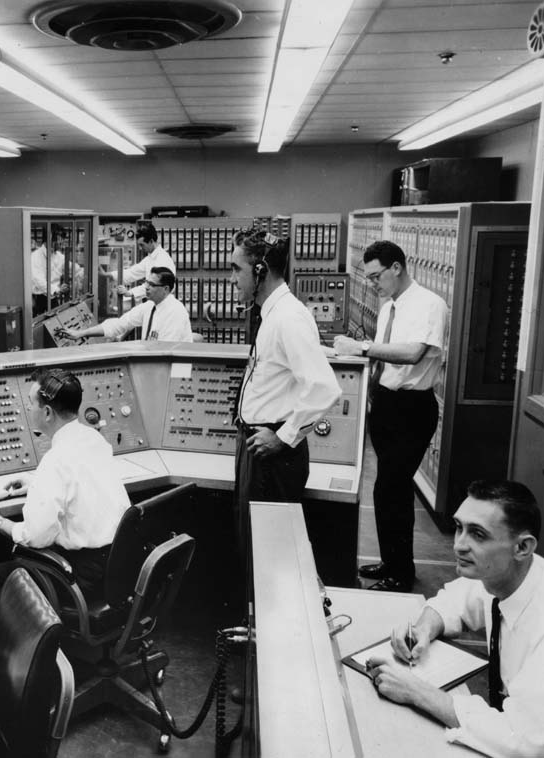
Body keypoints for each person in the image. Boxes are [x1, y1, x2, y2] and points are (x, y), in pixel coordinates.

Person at [367, 480, 544, 757]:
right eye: (459, 527)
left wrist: (417, 692)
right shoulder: (501, 575)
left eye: (478, 534)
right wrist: (423, 629)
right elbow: (455, 600)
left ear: (522, 547)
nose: (459, 545)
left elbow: (525, 741)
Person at [334, 240, 448, 591]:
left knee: (393, 487)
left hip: (412, 409)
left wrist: (361, 347)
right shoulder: (388, 308)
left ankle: (401, 574)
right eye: (369, 278)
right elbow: (382, 357)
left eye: (375, 276)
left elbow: (413, 353)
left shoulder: (430, 304)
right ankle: (391, 562)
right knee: (386, 491)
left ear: (396, 267)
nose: (372, 284)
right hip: (385, 404)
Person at [0, 367, 131, 602]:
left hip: (80, 576)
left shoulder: (55, 461)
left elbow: (36, 537)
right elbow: (84, 483)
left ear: (47, 412)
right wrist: (36, 484)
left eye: (30, 403)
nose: (28, 408)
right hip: (116, 564)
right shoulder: (94, 439)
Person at [229, 228, 341, 510]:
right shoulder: (273, 313)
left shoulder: (288, 318)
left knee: (268, 538)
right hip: (258, 448)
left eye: (236, 269)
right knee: (252, 535)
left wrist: (283, 437)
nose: (232, 279)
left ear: (260, 271)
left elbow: (324, 388)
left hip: (272, 458)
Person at [61, 267, 192, 343]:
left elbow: (166, 352)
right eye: (147, 283)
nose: (146, 287)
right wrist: (81, 333)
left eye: (152, 285)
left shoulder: (176, 312)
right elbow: (119, 324)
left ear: (166, 289)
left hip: (173, 373)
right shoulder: (150, 306)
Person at [116, 223, 176, 302]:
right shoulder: (150, 258)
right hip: (155, 301)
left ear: (151, 241)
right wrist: (108, 275)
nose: (140, 248)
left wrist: (130, 293)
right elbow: (132, 273)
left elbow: (153, 286)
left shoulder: (162, 259)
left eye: (142, 245)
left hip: (162, 303)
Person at [30, 239, 67, 316]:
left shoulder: (58, 255)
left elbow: (71, 267)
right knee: (39, 321)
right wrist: (57, 290)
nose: (61, 242)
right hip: (39, 299)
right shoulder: (35, 256)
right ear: (49, 239)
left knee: (57, 319)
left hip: (53, 297)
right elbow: (39, 282)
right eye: (59, 240)